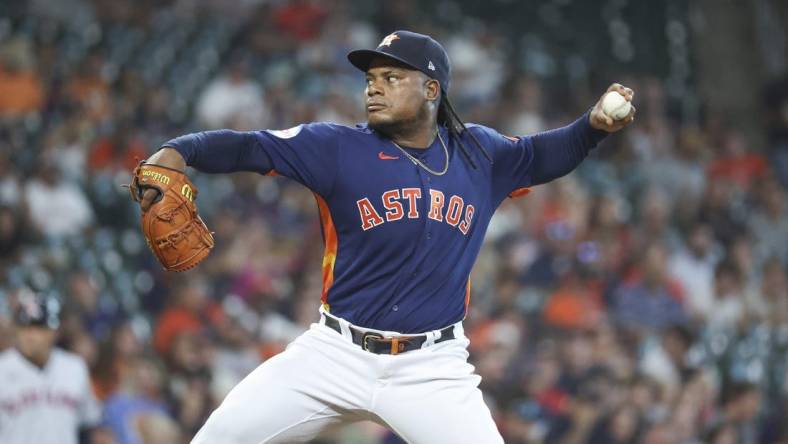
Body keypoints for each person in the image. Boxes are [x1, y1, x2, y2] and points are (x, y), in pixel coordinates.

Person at [133, 30, 635, 443]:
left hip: (432, 367)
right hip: (333, 354)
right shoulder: (335, 147)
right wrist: (180, 149)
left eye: (392, 77)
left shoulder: (479, 154)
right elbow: (249, 148)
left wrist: (591, 128)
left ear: (432, 91)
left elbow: (545, 154)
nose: (374, 87)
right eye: (371, 78)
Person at [0, 289, 101, 444]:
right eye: (25, 328)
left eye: (39, 328)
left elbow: (88, 424)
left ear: (55, 332)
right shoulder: (3, 368)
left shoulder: (75, 367)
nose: (31, 335)